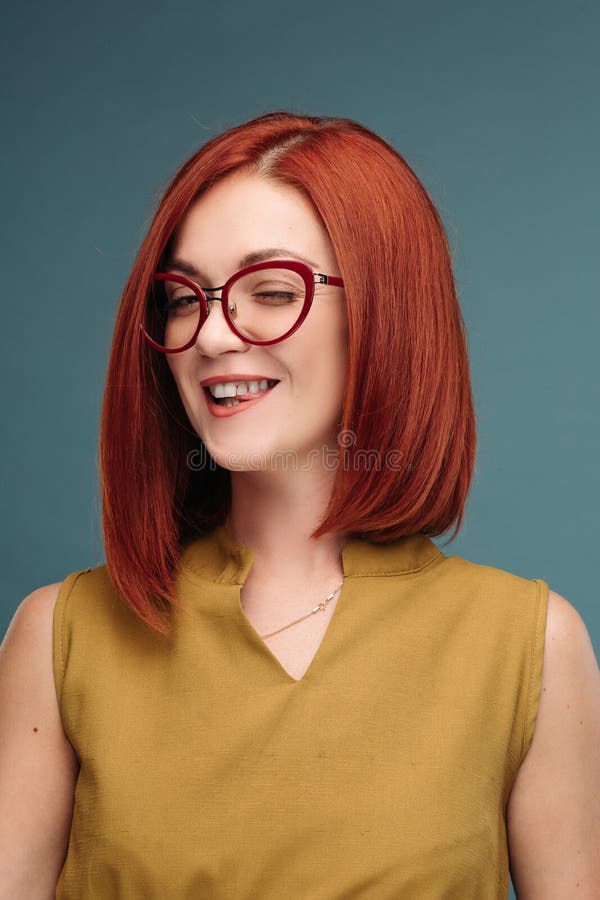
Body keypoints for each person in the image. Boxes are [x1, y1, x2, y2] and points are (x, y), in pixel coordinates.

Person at [1, 111, 599, 899]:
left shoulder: (530, 647)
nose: (213, 334)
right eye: (184, 299)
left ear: (386, 311)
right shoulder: (61, 638)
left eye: (273, 290)